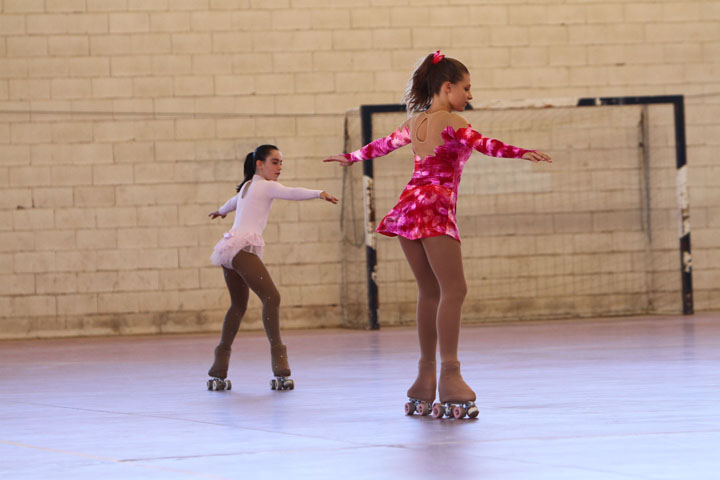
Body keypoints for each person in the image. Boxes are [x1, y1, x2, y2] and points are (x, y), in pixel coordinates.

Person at [324, 51, 551, 418]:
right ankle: (450, 375)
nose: (470, 95)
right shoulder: (452, 121)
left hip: (407, 208)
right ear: (447, 88)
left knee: (429, 291)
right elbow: (485, 144)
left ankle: (424, 378)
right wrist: (521, 152)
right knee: (455, 290)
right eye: (466, 88)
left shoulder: (415, 123)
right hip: (434, 208)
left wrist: (350, 157)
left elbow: (380, 146)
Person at [207, 144, 338, 391]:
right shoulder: (265, 186)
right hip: (242, 249)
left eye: (281, 163)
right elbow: (292, 192)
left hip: (228, 249)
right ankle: (280, 368)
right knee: (272, 297)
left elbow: (233, 201)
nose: (279, 167)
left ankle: (218, 370)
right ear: (260, 164)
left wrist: (221, 211)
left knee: (238, 306)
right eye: (275, 162)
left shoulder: (248, 185)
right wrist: (318, 192)